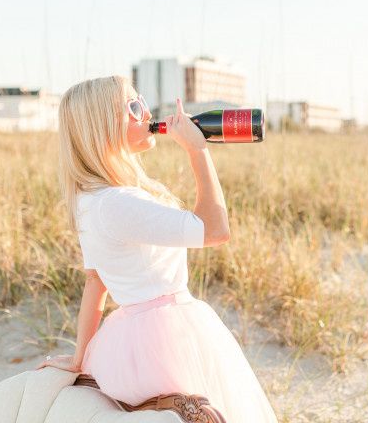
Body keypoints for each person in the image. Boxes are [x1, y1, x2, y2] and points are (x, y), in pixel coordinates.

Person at [36, 76, 277, 423]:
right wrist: (198, 150)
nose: (146, 112)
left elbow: (95, 283)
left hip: (131, 339)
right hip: (168, 337)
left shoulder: (89, 200)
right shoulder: (119, 204)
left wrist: (79, 358)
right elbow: (216, 230)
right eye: (133, 107)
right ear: (103, 125)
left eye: (143, 100)